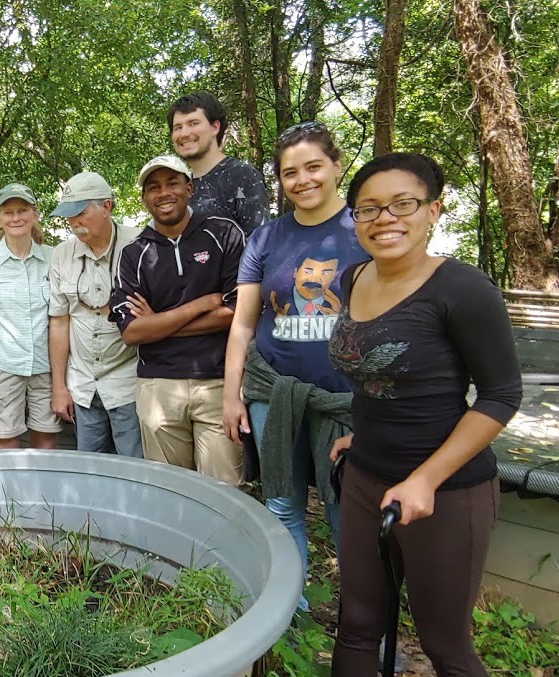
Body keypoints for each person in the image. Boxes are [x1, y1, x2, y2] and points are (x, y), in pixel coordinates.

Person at [320, 153, 519, 677]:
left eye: (402, 203)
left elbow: (501, 395)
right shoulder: (353, 279)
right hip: (364, 477)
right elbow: (374, 374)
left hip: (447, 492)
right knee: (357, 622)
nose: (386, 218)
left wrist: (426, 478)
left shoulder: (462, 289)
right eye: (369, 208)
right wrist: (363, 434)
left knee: (445, 642)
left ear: (432, 210)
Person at [222, 122, 368, 586]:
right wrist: (232, 396)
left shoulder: (366, 230)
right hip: (273, 391)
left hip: (345, 397)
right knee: (282, 504)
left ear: (337, 166)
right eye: (290, 173)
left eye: (313, 167)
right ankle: (290, 613)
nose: (303, 180)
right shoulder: (265, 239)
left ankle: (363, 629)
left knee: (345, 507)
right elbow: (243, 323)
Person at [111, 156, 245, 484]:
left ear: (189, 188)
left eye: (172, 183)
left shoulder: (223, 234)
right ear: (144, 198)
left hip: (218, 381)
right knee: (171, 490)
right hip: (159, 385)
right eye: (153, 187)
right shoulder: (133, 254)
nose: (163, 193)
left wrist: (159, 324)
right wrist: (201, 304)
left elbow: (238, 313)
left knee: (225, 490)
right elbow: (131, 332)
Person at [47, 171, 142, 457]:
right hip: (82, 384)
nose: (74, 222)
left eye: (81, 212)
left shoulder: (139, 245)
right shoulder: (62, 255)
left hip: (129, 381)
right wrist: (59, 387)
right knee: (88, 470)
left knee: (134, 467)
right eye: (68, 215)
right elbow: (59, 323)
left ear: (107, 207)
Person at [0, 183, 60, 449]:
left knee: (46, 443)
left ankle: (44, 492)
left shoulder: (54, 258)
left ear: (35, 214)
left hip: (46, 366)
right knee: (5, 445)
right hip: (1, 364)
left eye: (23, 210)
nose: (16, 217)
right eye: (8, 212)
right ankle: (9, 494)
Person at [168, 92, 270, 234]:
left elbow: (260, 245)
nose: (184, 133)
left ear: (215, 127)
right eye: (178, 127)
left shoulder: (242, 176)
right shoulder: (178, 188)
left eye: (193, 123)